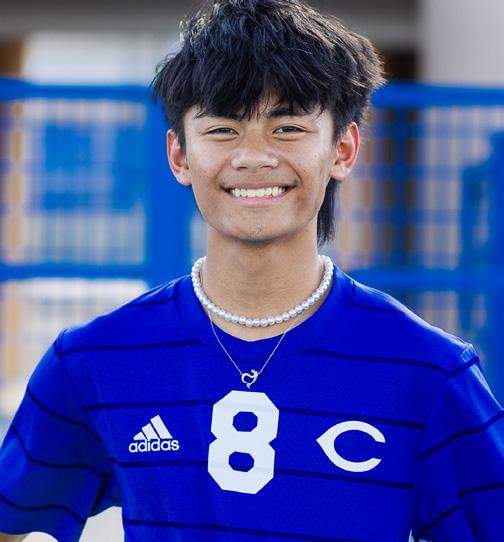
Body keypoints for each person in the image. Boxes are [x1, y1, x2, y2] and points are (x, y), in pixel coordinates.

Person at [1, 0, 503, 540]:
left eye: (287, 127)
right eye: (223, 129)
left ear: (343, 149)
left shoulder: (427, 370)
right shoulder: (95, 359)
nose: (254, 157)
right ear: (179, 156)